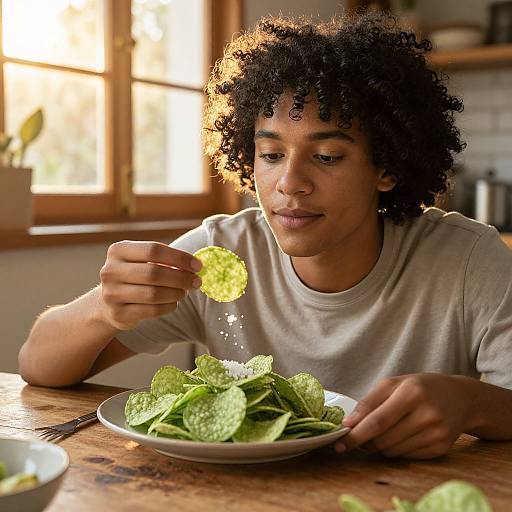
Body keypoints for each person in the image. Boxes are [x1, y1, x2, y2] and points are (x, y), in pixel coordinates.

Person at [19, 12, 512, 459]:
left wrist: (469, 403)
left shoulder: (470, 260)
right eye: (272, 155)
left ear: (385, 167)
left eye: (327, 157)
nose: (289, 183)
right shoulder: (220, 251)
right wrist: (103, 307)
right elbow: (38, 365)